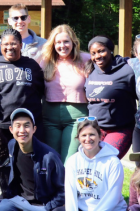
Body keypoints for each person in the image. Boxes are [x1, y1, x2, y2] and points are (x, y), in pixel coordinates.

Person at [0, 109, 65, 211]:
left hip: (41, 206)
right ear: (11, 129)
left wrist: (48, 208)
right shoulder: (12, 145)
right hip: (19, 200)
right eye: (17, 125)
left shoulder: (50, 157)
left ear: (34, 129)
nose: (22, 130)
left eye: (26, 125)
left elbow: (63, 190)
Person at [50, 118, 127, 211]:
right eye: (84, 135)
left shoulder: (112, 162)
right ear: (78, 138)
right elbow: (71, 197)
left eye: (92, 134)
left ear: (100, 136)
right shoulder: (73, 161)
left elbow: (112, 199)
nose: (88, 139)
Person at [0, 28, 46, 140]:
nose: (9, 47)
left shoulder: (32, 65)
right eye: (5, 44)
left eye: (13, 44)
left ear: (21, 45)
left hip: (27, 128)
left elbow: (41, 90)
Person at [37, 25, 90, 162]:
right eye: (58, 42)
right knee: (51, 159)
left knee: (69, 160)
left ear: (73, 42)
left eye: (66, 41)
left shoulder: (85, 59)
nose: (62, 46)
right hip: (49, 116)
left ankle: (66, 184)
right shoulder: (46, 61)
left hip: (76, 116)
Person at [83, 36, 136, 159]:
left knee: (106, 159)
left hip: (120, 129)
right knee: (89, 160)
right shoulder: (89, 71)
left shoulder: (126, 70)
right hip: (95, 128)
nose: (97, 56)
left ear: (111, 50)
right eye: (93, 53)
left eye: (101, 51)